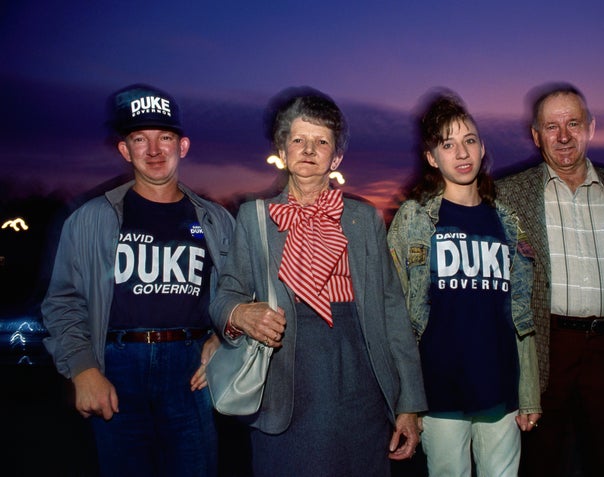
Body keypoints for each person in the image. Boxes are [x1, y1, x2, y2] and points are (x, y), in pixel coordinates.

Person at [209, 87, 427, 477]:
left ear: (336, 156)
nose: (309, 150)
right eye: (298, 140)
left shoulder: (363, 220)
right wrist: (242, 313)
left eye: (321, 141)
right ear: (283, 148)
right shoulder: (254, 218)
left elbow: (393, 312)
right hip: (283, 382)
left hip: (359, 381)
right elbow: (225, 295)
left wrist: (409, 403)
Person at [42, 84, 235, 477]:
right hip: (115, 367)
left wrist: (223, 338)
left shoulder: (215, 221)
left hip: (190, 370)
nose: (153, 150)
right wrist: (83, 370)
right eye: (139, 139)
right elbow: (63, 302)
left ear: (183, 146)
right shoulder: (91, 218)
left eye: (165, 138)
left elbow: (240, 289)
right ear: (124, 150)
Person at [495, 83, 604, 477]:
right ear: (536, 136)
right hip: (545, 347)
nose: (564, 136)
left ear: (591, 128)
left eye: (573, 123)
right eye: (552, 126)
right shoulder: (509, 193)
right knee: (540, 459)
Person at [386, 90, 542, 477]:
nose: (461, 153)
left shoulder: (505, 220)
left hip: (500, 388)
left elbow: (521, 314)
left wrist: (529, 394)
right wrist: (407, 399)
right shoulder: (414, 219)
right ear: (431, 157)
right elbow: (394, 313)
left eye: (469, 140)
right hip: (439, 392)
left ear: (482, 148)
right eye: (448, 144)